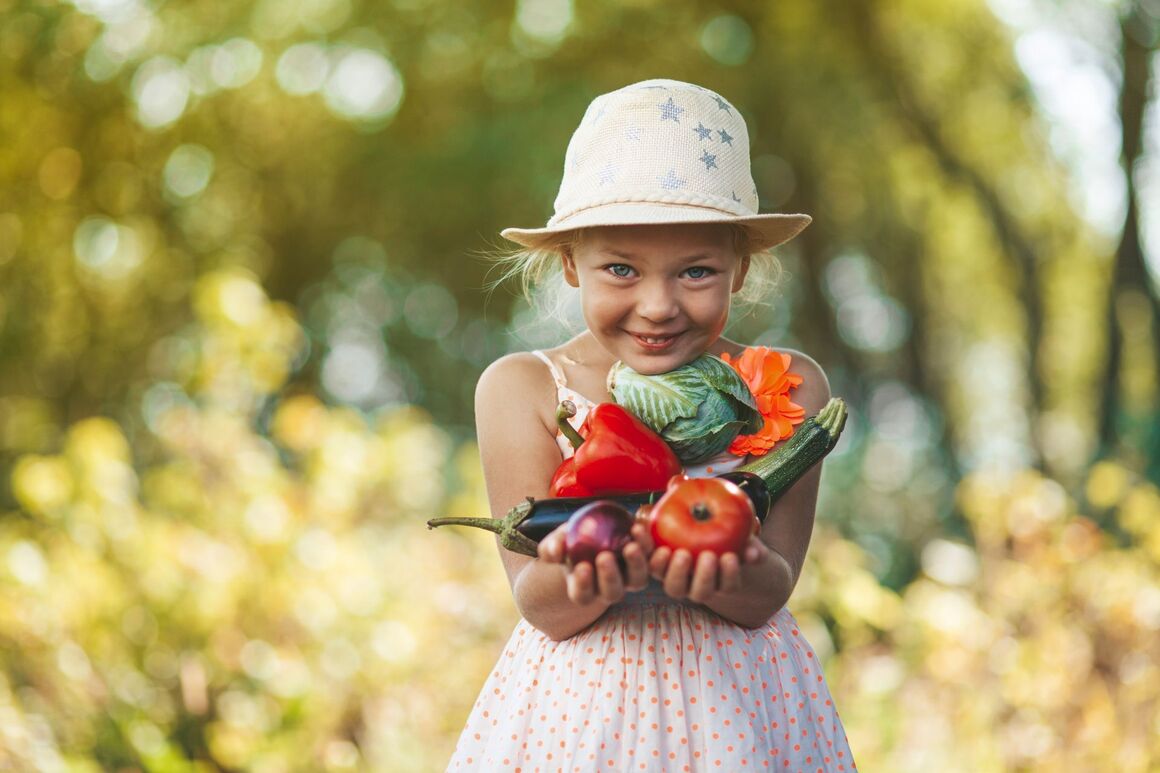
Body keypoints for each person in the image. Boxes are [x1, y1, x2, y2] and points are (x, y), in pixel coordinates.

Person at [449, 79, 855, 771]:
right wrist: (597, 574)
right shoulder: (521, 389)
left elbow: (768, 593)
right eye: (621, 269)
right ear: (570, 262)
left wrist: (730, 564)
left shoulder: (787, 388)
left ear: (741, 267)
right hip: (582, 713)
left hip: (741, 705)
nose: (658, 304)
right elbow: (539, 604)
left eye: (695, 271)